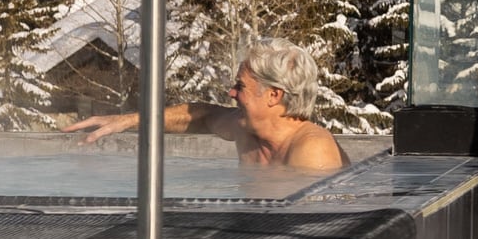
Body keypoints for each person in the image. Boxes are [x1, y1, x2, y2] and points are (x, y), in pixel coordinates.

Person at [67, 39, 348, 172]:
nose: (231, 93)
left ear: (274, 96)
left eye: (241, 87)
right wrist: (127, 121)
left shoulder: (312, 150)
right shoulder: (246, 130)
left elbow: (314, 234)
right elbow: (200, 115)